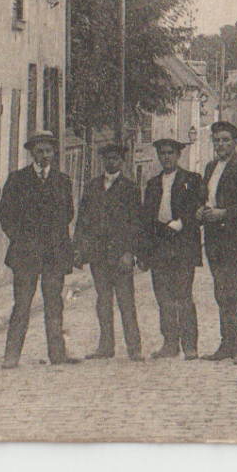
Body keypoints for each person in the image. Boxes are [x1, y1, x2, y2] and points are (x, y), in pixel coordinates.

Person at [0, 131, 79, 369]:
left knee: (54, 304)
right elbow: (4, 214)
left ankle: (57, 354)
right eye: (40, 151)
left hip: (54, 254)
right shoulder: (17, 180)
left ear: (54, 153)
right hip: (26, 254)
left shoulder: (62, 181)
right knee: (22, 304)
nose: (45, 155)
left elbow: (68, 213)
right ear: (32, 152)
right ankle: (11, 356)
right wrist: (20, 238)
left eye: (48, 151)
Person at [197, 121, 237, 365]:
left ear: (236, 142)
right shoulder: (211, 167)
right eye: (217, 140)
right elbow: (205, 197)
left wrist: (224, 214)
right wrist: (200, 210)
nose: (220, 144)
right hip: (215, 241)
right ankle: (227, 343)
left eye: (225, 140)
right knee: (222, 294)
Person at [74, 141, 144, 361]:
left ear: (122, 162)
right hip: (98, 255)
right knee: (103, 302)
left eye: (115, 158)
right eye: (108, 158)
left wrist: (129, 253)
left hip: (120, 255)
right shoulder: (92, 186)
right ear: (103, 161)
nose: (111, 162)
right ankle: (106, 347)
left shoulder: (131, 188)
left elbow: (136, 224)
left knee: (126, 302)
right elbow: (83, 221)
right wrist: (79, 249)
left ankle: (134, 348)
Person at [139, 137, 204, 360]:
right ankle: (169, 343)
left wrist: (182, 222)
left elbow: (197, 206)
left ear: (178, 156)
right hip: (160, 244)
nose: (166, 157)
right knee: (163, 297)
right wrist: (145, 251)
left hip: (182, 244)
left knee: (183, 296)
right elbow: (146, 218)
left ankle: (189, 345)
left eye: (170, 153)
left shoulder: (192, 180)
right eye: (162, 153)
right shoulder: (153, 184)